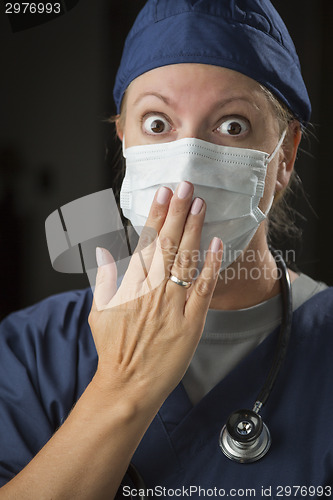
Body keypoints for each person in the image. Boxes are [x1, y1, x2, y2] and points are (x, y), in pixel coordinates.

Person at [0, 0, 332, 498]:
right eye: (157, 124)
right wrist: (122, 387)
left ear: (283, 157)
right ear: (125, 142)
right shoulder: (32, 351)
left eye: (232, 125)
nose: (187, 170)